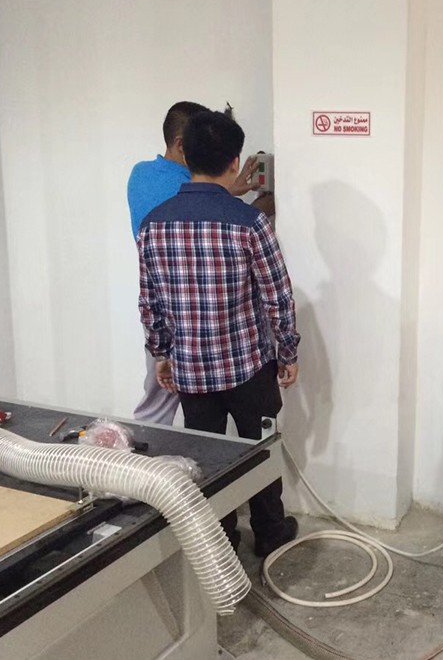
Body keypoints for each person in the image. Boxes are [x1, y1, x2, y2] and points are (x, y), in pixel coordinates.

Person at [137, 110, 300, 557]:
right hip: (249, 368)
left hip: (191, 372)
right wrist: (288, 354)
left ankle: (221, 540)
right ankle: (269, 533)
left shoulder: (154, 225)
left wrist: (162, 354)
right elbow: (279, 298)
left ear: (186, 156)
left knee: (206, 462)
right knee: (259, 452)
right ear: (234, 162)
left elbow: (150, 303)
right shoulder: (249, 223)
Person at [128, 101, 257, 425]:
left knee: (161, 402)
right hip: (194, 315)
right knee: (175, 399)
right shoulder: (181, 192)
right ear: (182, 144)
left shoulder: (141, 173)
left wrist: (230, 190)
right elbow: (204, 220)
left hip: (164, 307)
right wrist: (244, 203)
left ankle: (149, 449)